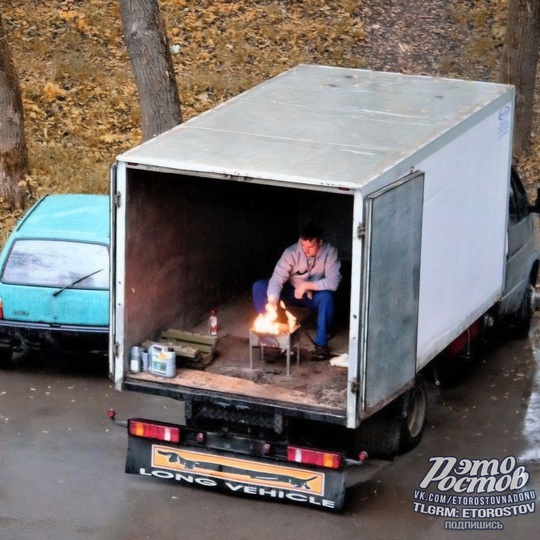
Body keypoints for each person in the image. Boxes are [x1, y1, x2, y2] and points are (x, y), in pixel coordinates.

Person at [252, 223, 341, 359]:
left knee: (327, 297)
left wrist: (307, 285)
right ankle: (271, 335)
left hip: (313, 296)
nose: (305, 250)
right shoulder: (291, 252)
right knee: (259, 286)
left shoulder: (330, 252)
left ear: (320, 242)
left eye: (310, 247)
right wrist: (272, 301)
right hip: (291, 293)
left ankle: (321, 344)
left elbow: (333, 282)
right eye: (303, 245)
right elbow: (276, 280)